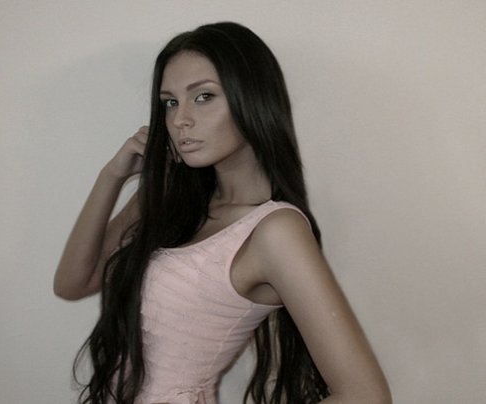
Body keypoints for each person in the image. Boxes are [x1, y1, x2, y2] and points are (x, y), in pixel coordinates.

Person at [54, 22, 391, 404]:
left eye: (204, 96)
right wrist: (112, 176)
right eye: (170, 102)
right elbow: (72, 283)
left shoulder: (275, 231)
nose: (180, 120)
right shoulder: (171, 201)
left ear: (252, 98)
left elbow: (366, 395)